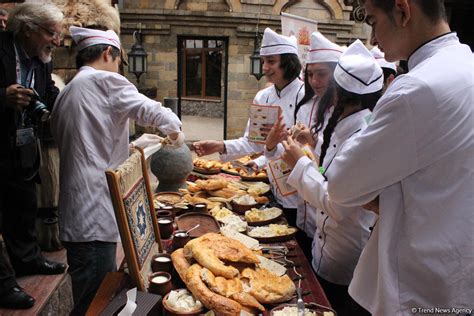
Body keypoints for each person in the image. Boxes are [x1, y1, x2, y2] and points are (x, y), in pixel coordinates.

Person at [325, 0, 474, 314]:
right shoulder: (466, 64)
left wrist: (379, 192)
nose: (373, 39)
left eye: (374, 21)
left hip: (413, 287)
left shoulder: (416, 88)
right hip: (453, 277)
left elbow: (339, 184)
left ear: (403, 11)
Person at [50, 26, 184, 315]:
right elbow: (156, 113)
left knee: (89, 292)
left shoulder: (69, 89)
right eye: (118, 60)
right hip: (95, 211)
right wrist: (175, 131)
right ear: (108, 53)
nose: (118, 68)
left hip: (76, 209)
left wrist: (136, 143)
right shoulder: (105, 81)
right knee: (95, 301)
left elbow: (92, 141)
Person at [275, 39, 381, 315]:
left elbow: (337, 204)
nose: (316, 85)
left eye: (323, 77)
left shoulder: (362, 138)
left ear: (339, 94)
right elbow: (328, 174)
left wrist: (299, 164)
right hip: (323, 246)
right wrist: (313, 152)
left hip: (343, 256)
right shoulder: (343, 125)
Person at [193, 27, 304, 222]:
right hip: (273, 186)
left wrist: (272, 148)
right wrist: (220, 145)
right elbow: (253, 142)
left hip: (301, 194)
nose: (265, 68)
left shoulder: (307, 97)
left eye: (271, 62)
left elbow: (308, 148)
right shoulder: (263, 97)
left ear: (288, 63)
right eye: (263, 62)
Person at [0, 3, 66, 309]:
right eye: (51, 33)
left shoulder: (42, 60)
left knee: (23, 204)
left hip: (22, 144)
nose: (57, 41)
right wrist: (3, 96)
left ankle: (27, 260)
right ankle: (3, 285)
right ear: (28, 29)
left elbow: (49, 92)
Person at [264, 31, 343, 259]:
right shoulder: (307, 107)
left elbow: (326, 168)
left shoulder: (345, 114)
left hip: (325, 204)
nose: (314, 81)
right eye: (310, 75)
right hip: (302, 198)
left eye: (322, 74)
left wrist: (313, 145)